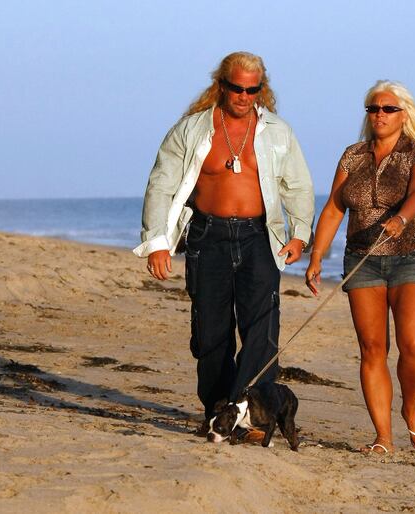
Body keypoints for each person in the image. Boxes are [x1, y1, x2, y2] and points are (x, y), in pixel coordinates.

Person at [135, 51, 315, 437]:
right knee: (210, 334)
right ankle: (218, 411)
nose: (244, 96)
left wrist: (300, 233)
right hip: (207, 236)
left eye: (253, 89)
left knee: (262, 332)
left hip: (259, 237)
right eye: (237, 88)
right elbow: (161, 185)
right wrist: (157, 242)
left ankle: (248, 413)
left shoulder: (277, 131)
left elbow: (297, 185)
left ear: (260, 90)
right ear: (221, 85)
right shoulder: (191, 130)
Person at [305, 81, 415, 454]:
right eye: (373, 109)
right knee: (372, 348)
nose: (379, 114)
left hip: (410, 255)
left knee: (412, 344)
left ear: (404, 114)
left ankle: (410, 410)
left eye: (388, 108)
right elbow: (334, 207)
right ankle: (383, 437)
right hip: (362, 260)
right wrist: (317, 255)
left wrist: (402, 218)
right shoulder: (353, 156)